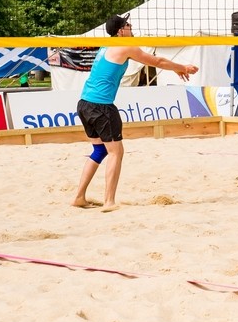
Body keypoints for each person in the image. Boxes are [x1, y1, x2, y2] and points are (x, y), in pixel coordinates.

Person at [71, 14, 198, 212]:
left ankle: (79, 197)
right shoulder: (126, 47)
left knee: (100, 150)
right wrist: (181, 67)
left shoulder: (106, 46)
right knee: (116, 152)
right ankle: (109, 202)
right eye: (128, 25)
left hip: (85, 103)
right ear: (121, 31)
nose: (132, 27)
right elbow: (158, 61)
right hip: (101, 107)